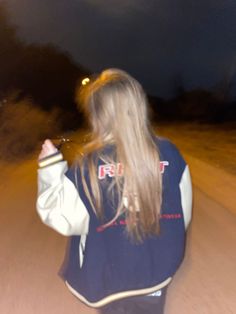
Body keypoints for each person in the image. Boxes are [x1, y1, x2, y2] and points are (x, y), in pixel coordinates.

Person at [36, 68, 192, 314]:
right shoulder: (170, 153)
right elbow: (182, 214)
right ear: (139, 105)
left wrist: (50, 167)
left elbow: (62, 218)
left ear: (97, 115)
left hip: (109, 276)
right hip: (155, 272)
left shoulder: (88, 164)